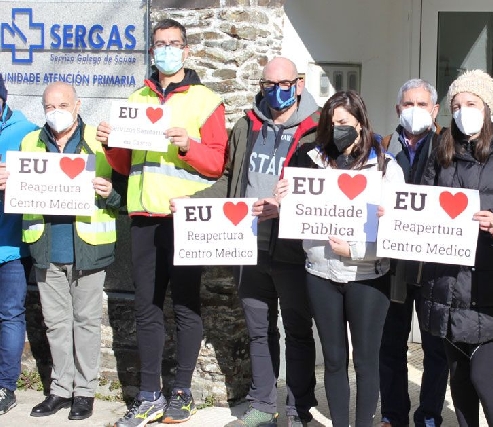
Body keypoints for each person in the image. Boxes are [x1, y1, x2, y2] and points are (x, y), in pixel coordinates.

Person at [96, 18, 228, 426]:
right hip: (143, 219)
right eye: (160, 44)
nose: (167, 50)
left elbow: (217, 164)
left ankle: (182, 392)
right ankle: (150, 394)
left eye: (174, 43)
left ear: (186, 50)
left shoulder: (207, 100)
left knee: (187, 306)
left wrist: (189, 146)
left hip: (185, 218)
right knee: (146, 307)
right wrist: (111, 142)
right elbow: (123, 163)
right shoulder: (136, 98)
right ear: (152, 51)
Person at [181, 56, 319, 427]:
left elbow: (326, 193)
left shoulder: (316, 128)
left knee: (297, 329)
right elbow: (229, 180)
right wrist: (192, 204)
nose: (277, 91)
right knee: (259, 330)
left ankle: (299, 406)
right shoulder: (245, 126)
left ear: (300, 84)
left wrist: (287, 208)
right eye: (268, 85)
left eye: (285, 84)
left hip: (293, 246)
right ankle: (262, 404)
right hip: (247, 244)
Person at [275, 90, 405, 427]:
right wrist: (282, 198)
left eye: (344, 123)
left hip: (368, 276)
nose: (337, 130)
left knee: (366, 360)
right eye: (331, 125)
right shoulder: (308, 159)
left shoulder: (386, 166)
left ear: (361, 124)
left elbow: (396, 230)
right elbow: (295, 213)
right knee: (333, 360)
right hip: (320, 271)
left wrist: (358, 251)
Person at [417, 69, 493, 427]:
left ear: (487, 107)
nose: (464, 110)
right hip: (447, 281)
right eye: (457, 105)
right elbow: (422, 204)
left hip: (489, 286)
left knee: (483, 376)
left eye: (471, 103)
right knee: (460, 378)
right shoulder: (441, 151)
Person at [13, 82, 121, 420]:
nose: (55, 111)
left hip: (88, 250)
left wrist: (109, 193)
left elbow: (125, 198)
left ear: (77, 105)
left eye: (62, 104)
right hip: (46, 248)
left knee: (86, 322)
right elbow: (20, 191)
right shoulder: (30, 142)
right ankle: (61, 389)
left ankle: (85, 392)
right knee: (55, 323)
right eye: (49, 106)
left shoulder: (100, 145)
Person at [378, 79, 449, 427]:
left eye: (423, 104)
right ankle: (393, 413)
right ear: (398, 110)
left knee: (436, 345)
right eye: (409, 104)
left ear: (435, 111)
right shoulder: (383, 148)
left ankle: (430, 414)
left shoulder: (449, 148)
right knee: (390, 342)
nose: (415, 111)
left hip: (434, 264)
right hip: (393, 264)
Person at [0, 74, 38, 415]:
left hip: (11, 244)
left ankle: (5, 386)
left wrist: (15, 180)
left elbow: (46, 182)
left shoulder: (27, 133)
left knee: (10, 314)